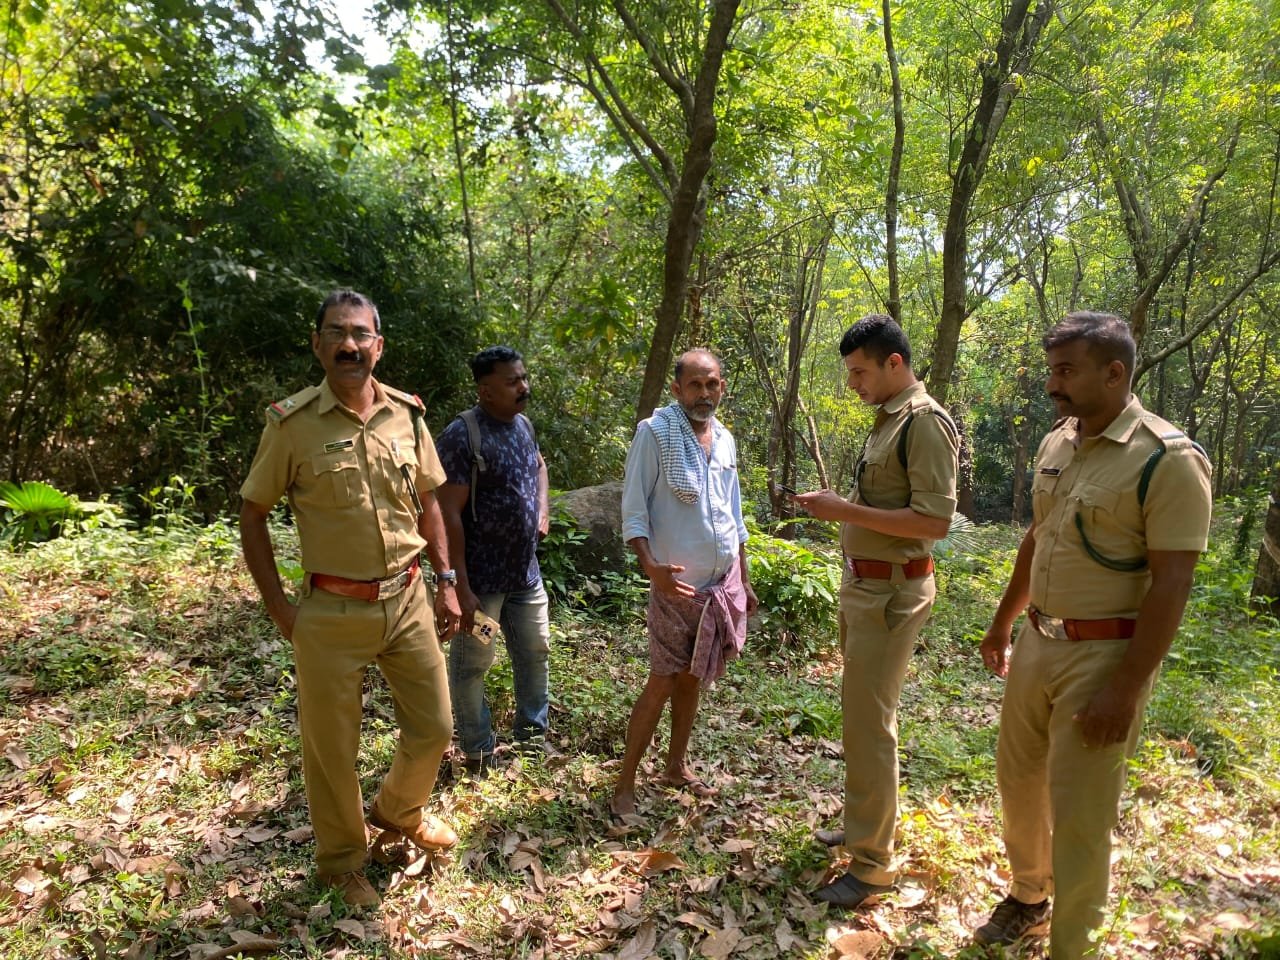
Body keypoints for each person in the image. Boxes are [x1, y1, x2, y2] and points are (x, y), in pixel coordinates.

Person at [974, 312, 1211, 957]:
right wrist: (1001, 623)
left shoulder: (1168, 460)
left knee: (1081, 812)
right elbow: (1036, 539)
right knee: (1018, 781)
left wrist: (1125, 689)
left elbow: (1171, 585)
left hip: (1105, 655)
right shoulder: (1059, 442)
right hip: (1037, 642)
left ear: (1115, 373)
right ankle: (1029, 896)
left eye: (1067, 371)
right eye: (1052, 369)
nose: (1054, 383)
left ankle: (1073, 945)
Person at [239, 289, 462, 908]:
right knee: (332, 748)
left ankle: (399, 811)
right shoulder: (292, 425)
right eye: (336, 334)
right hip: (331, 612)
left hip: (409, 598)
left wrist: (445, 583)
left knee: (434, 725)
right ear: (317, 345)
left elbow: (430, 501)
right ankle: (340, 861)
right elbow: (252, 513)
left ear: (378, 345)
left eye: (361, 334)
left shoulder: (408, 416)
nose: (349, 345)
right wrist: (281, 609)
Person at [791, 314, 958, 909]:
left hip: (892, 594)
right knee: (860, 717)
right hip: (866, 589)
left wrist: (845, 513)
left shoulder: (924, 423)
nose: (852, 384)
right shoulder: (887, 421)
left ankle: (872, 866)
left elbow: (935, 523)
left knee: (871, 725)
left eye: (860, 372)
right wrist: (843, 510)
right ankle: (864, 825)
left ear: (894, 363)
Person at [610, 349, 758, 817]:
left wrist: (745, 578)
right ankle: (624, 786)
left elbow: (733, 517)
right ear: (676, 389)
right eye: (694, 385)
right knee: (661, 681)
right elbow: (634, 509)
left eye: (712, 384)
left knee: (693, 679)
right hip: (675, 589)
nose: (704, 394)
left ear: (723, 386)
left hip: (719, 586)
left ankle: (675, 767)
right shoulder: (654, 435)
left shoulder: (727, 441)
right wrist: (651, 567)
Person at [434, 346, 552, 776]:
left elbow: (539, 466)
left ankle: (532, 739)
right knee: (473, 665)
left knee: (535, 651)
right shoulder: (462, 435)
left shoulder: (523, 425)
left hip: (525, 576)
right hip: (481, 586)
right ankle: (479, 750)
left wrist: (542, 509)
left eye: (523, 377)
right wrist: (457, 586)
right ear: (485, 391)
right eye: (512, 381)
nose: (523, 387)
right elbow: (446, 513)